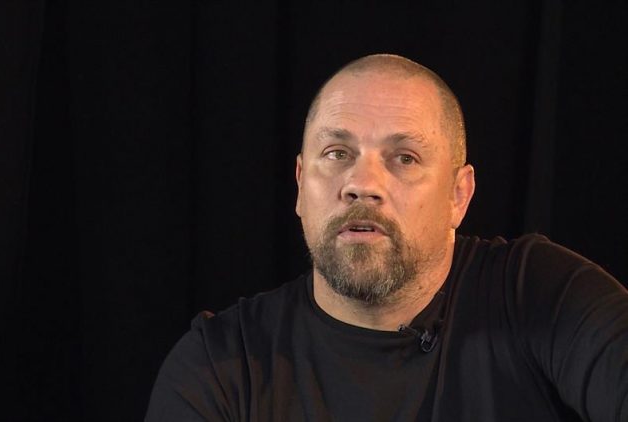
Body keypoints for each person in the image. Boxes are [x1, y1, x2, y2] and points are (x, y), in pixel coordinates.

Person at [145, 54, 628, 421]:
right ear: (300, 185)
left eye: (404, 158)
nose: (362, 184)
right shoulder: (220, 366)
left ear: (458, 196)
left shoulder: (540, 294)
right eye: (337, 153)